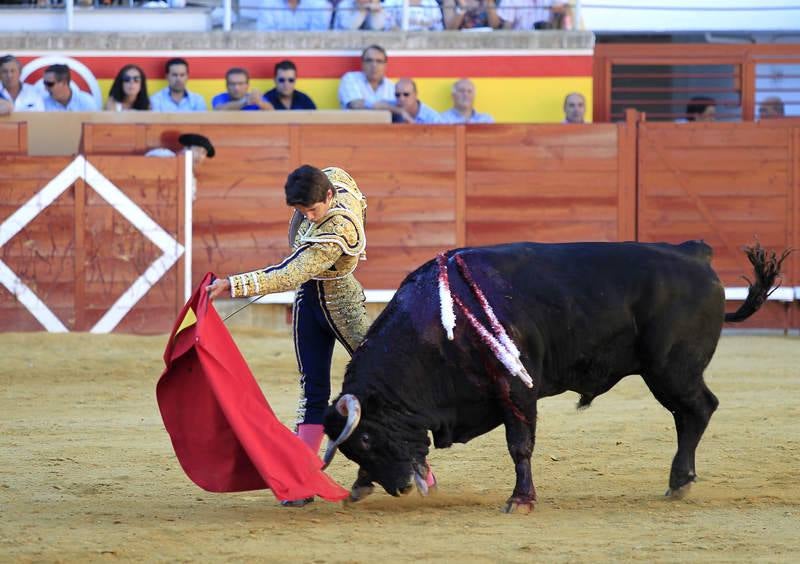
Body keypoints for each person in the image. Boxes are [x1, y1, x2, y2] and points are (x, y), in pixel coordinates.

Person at [205, 165, 370, 506]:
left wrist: (233, 284)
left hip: (343, 304)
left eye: (312, 210)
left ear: (329, 197)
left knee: (383, 380)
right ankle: (300, 480)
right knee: (312, 388)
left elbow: (292, 272)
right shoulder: (332, 178)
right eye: (301, 211)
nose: (308, 217)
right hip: (309, 303)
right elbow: (338, 177)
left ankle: (417, 465)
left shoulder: (338, 227)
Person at [338, 45, 396, 112]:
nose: (374, 65)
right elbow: (355, 105)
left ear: (385, 65)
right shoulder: (350, 79)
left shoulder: (392, 87)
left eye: (379, 61)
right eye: (369, 60)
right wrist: (391, 107)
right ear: (362, 63)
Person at [256, 0, 333, 31]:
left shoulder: (319, 4)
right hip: (276, 53)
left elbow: (318, 35)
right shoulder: (267, 4)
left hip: (309, 53)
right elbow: (264, 33)